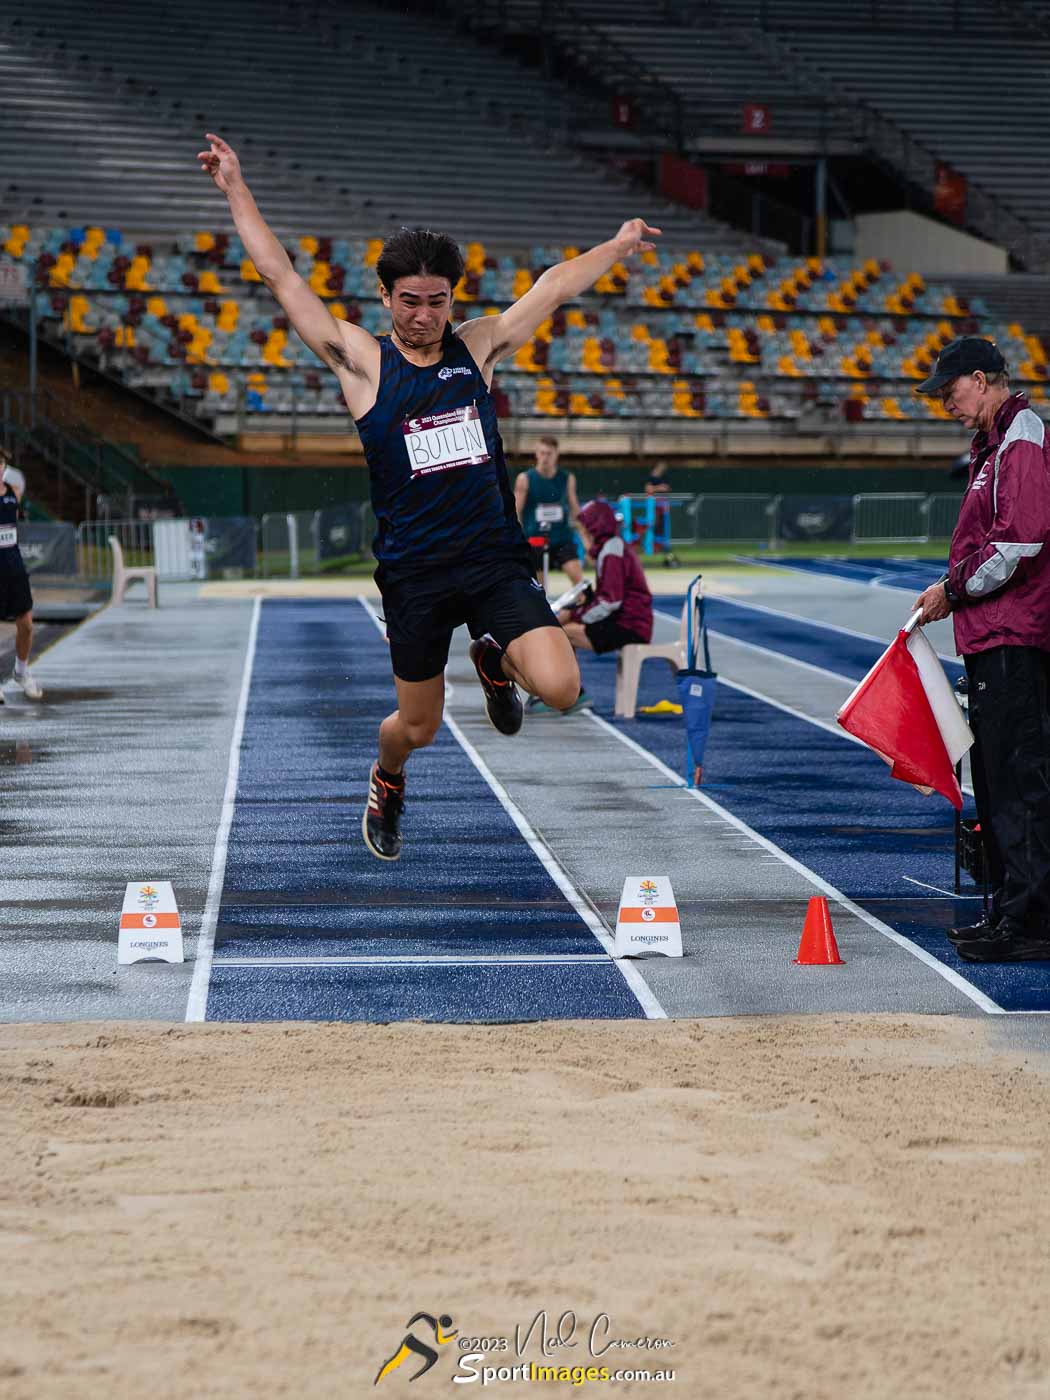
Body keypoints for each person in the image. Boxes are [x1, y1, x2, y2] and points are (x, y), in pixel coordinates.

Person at [198, 132, 661, 861]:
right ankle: (387, 780)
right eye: (409, 302)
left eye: (436, 302)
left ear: (453, 299)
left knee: (565, 689)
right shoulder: (361, 364)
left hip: (491, 561)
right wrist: (234, 188)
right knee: (416, 728)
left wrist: (617, 243)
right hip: (414, 575)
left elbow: (553, 287)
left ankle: (494, 659)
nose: (423, 317)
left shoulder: (475, 348)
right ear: (384, 297)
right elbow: (283, 278)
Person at [914, 335, 1050, 962]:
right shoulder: (993, 443)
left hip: (1015, 636)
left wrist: (952, 588)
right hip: (995, 633)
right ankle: (1008, 911)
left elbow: (1019, 543)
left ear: (980, 377)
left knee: (1019, 781)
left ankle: (1028, 922)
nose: (944, 403)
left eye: (949, 391)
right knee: (997, 782)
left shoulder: (1020, 434)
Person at [529, 499, 653, 715]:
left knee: (563, 635)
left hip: (630, 625)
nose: (582, 534)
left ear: (596, 527)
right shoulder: (612, 547)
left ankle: (569, 694)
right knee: (564, 624)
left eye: (585, 529)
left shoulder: (611, 551)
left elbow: (610, 601)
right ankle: (558, 690)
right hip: (629, 619)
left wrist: (578, 614)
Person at [0, 454, 43, 703]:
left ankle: (21, 671)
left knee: (26, 624)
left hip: (14, 568)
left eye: (0, 464)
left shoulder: (14, 493)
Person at [513, 436, 583, 588]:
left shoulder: (567, 478)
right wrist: (518, 540)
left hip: (561, 539)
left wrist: (586, 538)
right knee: (539, 589)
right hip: (535, 540)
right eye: (542, 453)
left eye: (549, 453)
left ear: (556, 454)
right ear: (536, 454)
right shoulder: (525, 479)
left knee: (580, 584)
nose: (545, 457)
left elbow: (575, 510)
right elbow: (516, 511)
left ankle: (573, 611)